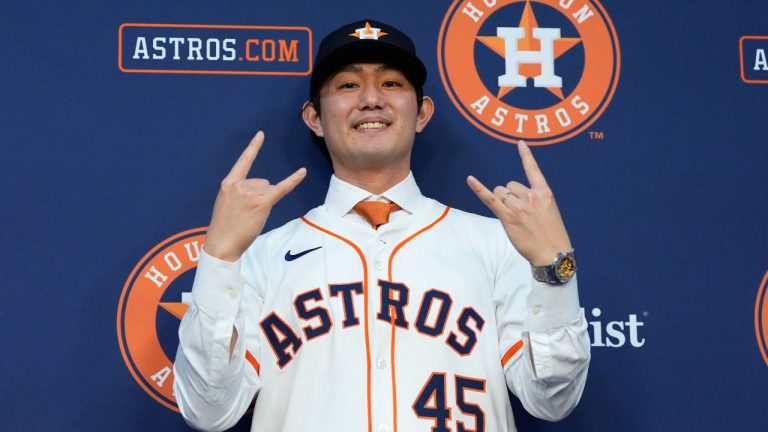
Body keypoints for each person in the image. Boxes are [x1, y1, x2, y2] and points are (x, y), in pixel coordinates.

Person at [173, 19, 590, 432]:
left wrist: (554, 269)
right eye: (348, 85)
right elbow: (209, 410)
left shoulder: (498, 243)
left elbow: (552, 398)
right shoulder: (259, 256)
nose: (371, 98)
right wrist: (219, 260)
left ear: (422, 112)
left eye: (392, 83)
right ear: (315, 117)